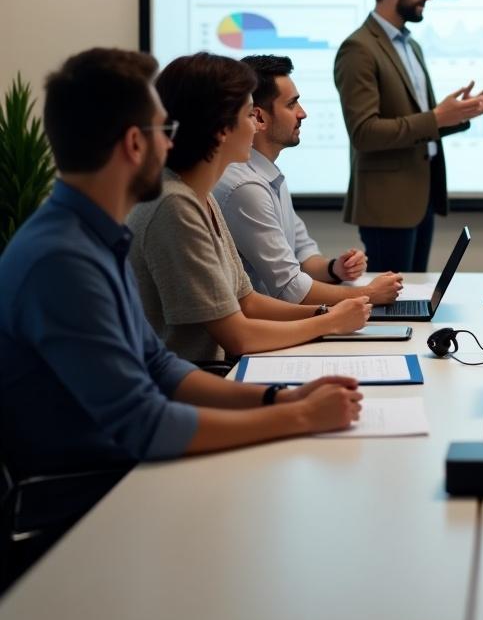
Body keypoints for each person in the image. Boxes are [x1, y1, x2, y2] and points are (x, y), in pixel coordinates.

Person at [0, 49, 364, 541]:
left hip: (125, 470)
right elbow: (145, 422)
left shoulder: (91, 235)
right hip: (89, 497)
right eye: (162, 131)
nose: (172, 145)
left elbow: (159, 367)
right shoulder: (62, 259)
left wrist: (280, 397)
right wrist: (295, 416)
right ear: (135, 144)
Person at [128, 52, 370, 364]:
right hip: (197, 381)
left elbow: (248, 302)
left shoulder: (201, 196)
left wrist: (328, 311)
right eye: (247, 116)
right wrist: (329, 322)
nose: (255, 128)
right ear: (221, 129)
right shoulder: (175, 205)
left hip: (213, 370)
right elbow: (239, 336)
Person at [335, 0, 483, 272]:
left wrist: (462, 113)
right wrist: (437, 117)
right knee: (389, 307)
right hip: (387, 205)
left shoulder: (411, 46)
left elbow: (422, 121)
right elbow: (364, 133)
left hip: (419, 197)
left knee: (413, 299)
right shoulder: (359, 49)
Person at [214, 54, 404, 307]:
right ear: (259, 117)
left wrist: (336, 269)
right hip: (266, 335)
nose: (302, 114)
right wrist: (368, 294)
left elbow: (302, 254)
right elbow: (291, 289)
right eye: (292, 105)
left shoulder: (268, 174)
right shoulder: (245, 188)